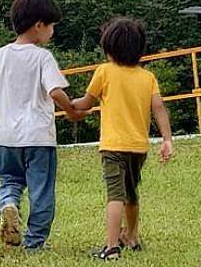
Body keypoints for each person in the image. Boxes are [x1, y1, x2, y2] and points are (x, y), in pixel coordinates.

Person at [0, 0, 84, 251]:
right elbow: (55, 91)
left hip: (4, 136)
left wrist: (3, 113)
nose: (52, 32)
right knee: (41, 191)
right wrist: (71, 110)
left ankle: (9, 204)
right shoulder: (42, 57)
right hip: (38, 137)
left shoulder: (0, 55)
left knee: (9, 181)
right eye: (51, 26)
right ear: (39, 25)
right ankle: (35, 242)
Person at [71, 17, 173, 261]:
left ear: (109, 48)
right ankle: (132, 236)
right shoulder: (147, 77)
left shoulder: (104, 72)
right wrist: (167, 139)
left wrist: (68, 104)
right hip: (138, 147)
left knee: (115, 195)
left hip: (113, 146)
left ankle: (111, 246)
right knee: (131, 193)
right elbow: (158, 108)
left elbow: (86, 103)